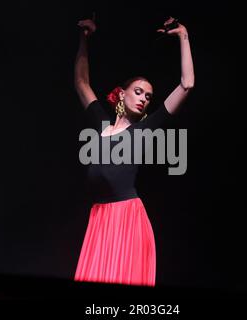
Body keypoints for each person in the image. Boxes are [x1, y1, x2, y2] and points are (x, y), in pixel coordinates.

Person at [73, 14, 194, 287]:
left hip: (126, 220)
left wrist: (183, 36)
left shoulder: (144, 130)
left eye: (148, 97)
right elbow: (81, 82)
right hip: (100, 221)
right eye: (138, 92)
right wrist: (84, 38)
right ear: (121, 93)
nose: (144, 99)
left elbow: (187, 84)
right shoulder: (100, 124)